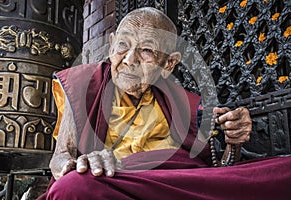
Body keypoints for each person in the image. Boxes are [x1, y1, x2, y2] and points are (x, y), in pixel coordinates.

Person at [39, 7, 291, 200]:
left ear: (169, 64)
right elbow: (59, 159)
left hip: (171, 185)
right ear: (112, 43)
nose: (129, 60)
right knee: (73, 187)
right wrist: (79, 165)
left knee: (283, 171)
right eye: (123, 45)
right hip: (114, 186)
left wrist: (233, 143)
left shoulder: (182, 103)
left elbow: (215, 170)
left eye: (146, 50)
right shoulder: (83, 83)